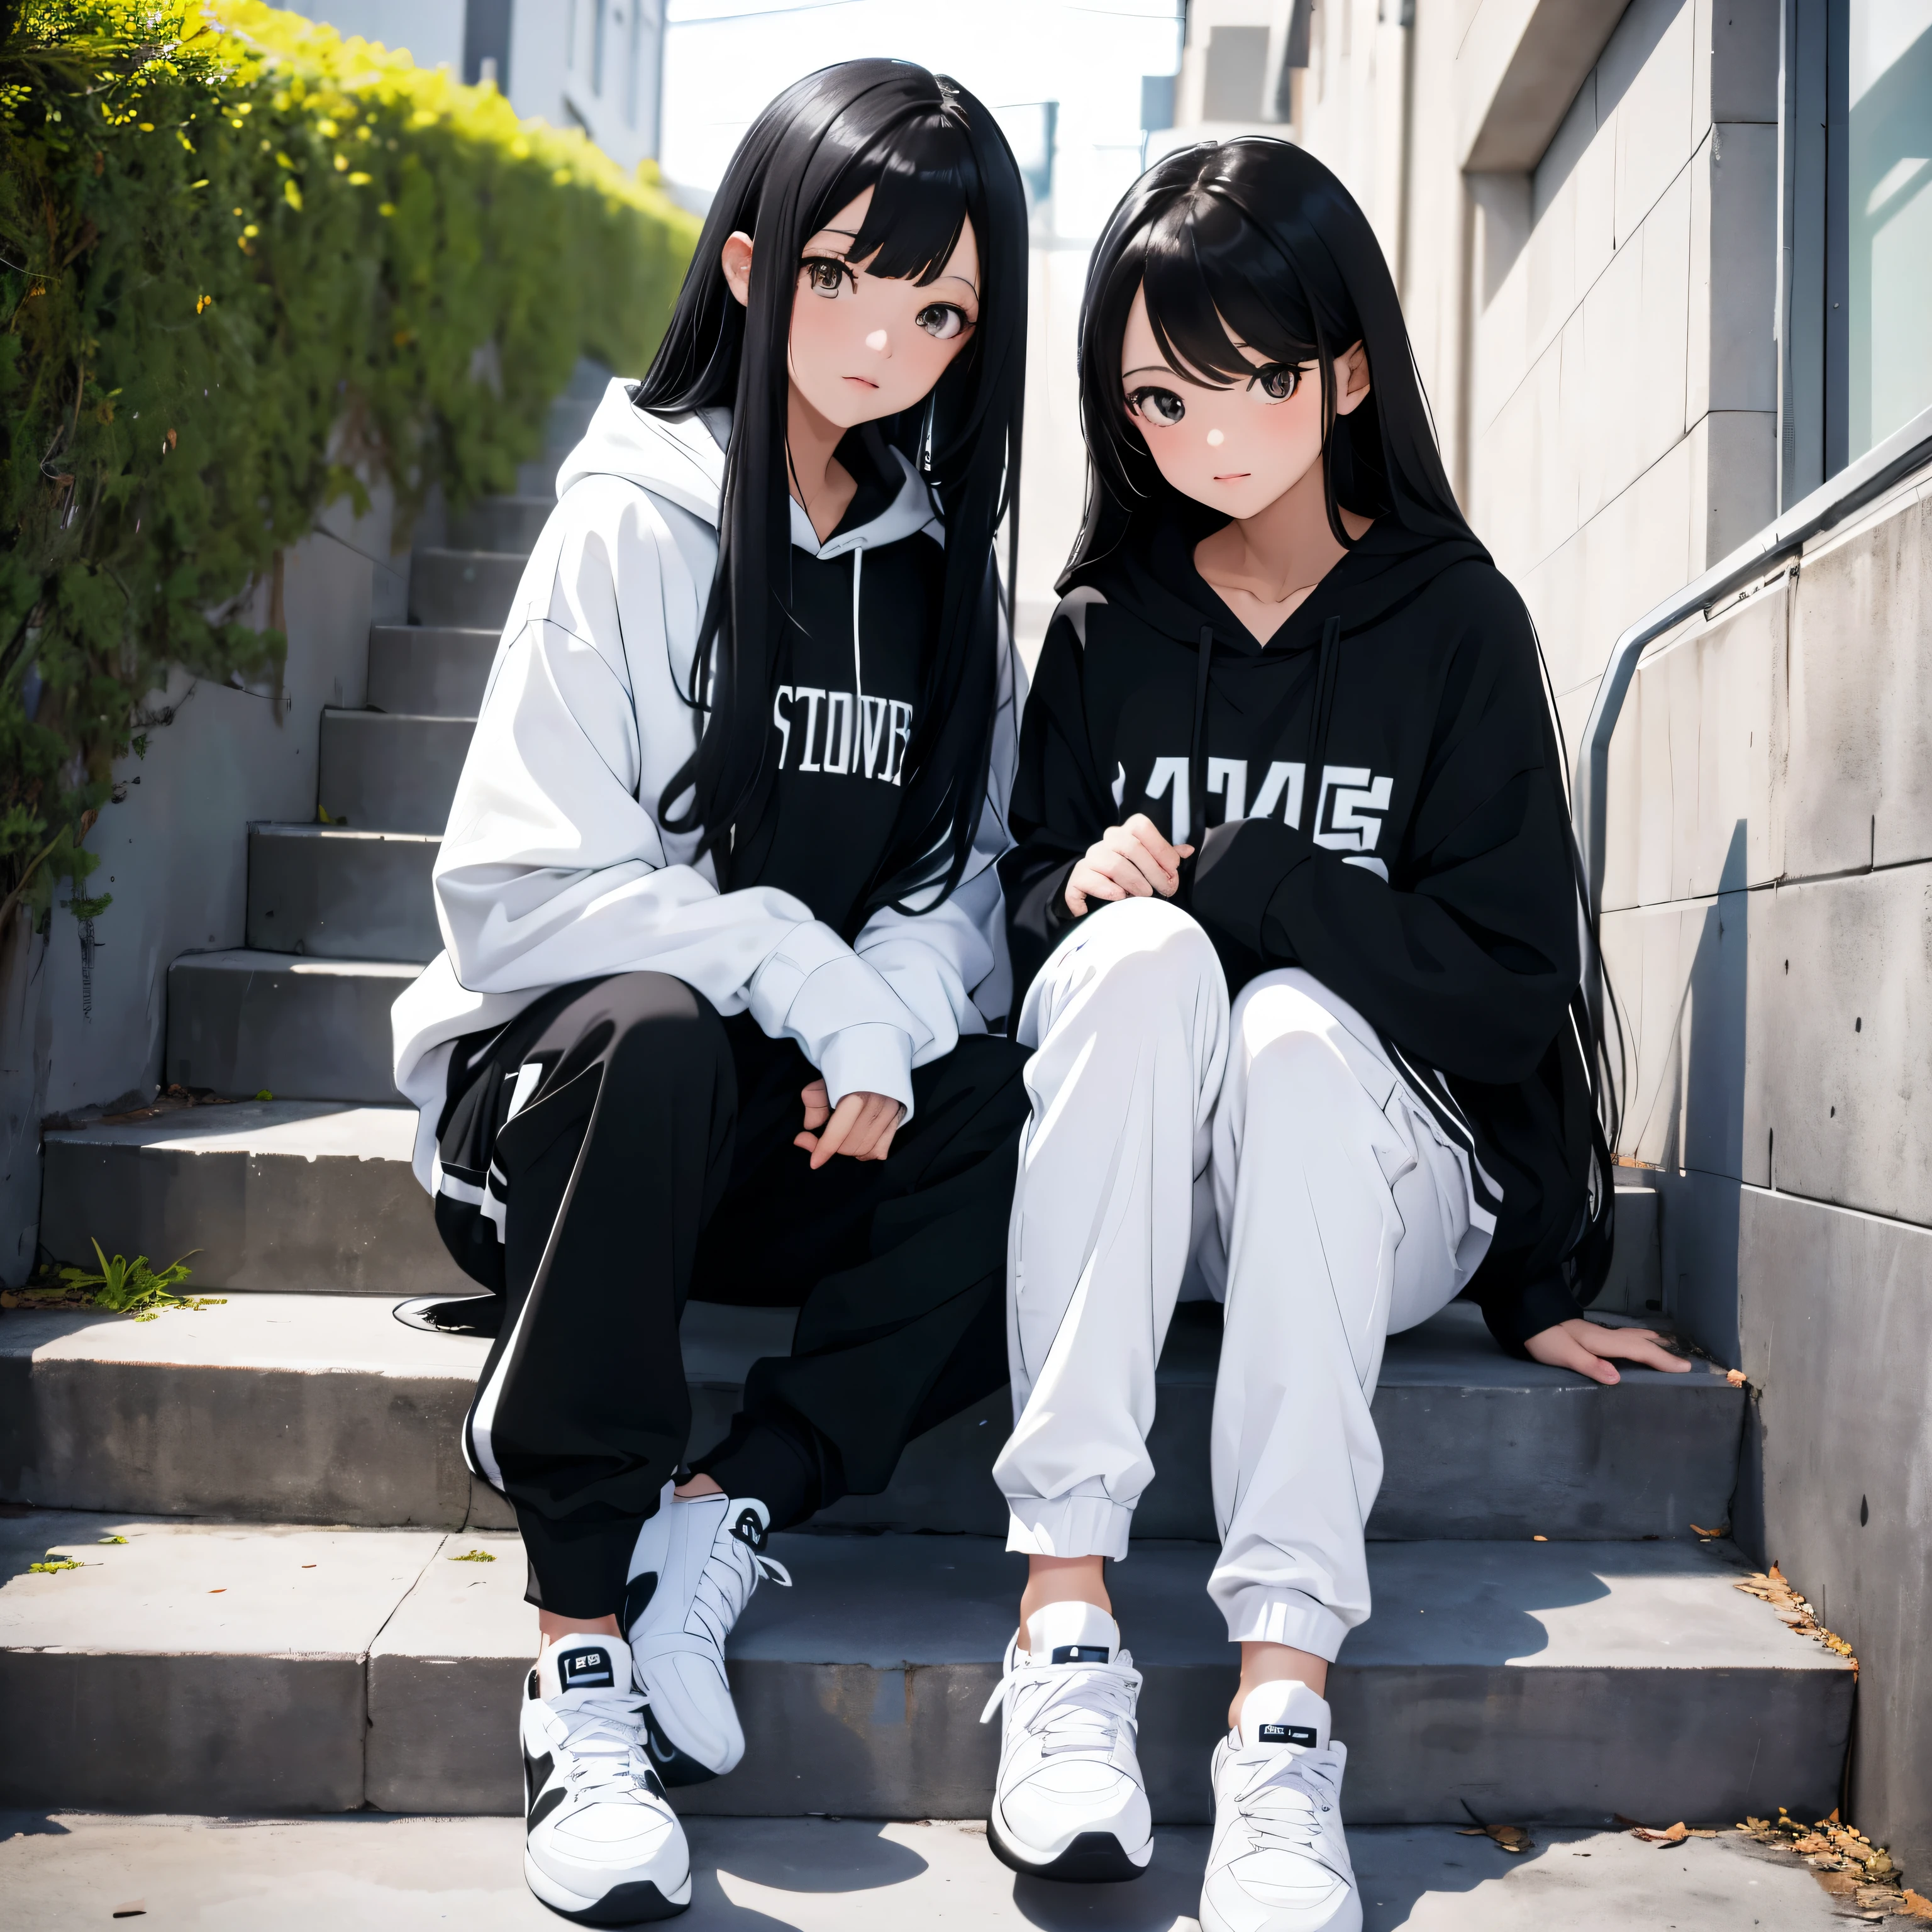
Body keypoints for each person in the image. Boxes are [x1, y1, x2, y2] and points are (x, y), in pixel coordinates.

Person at [977, 138, 1687, 1932]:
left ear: (1347, 371)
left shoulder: (1453, 624)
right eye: (1160, 392)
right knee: (1137, 968)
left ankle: (1279, 1711)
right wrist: (1086, 895)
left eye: (1255, 380)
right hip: (1156, 1167)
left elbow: (1511, 979)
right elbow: (1004, 939)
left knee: (1293, 1026)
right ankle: (1066, 1625)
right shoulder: (1099, 630)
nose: (1207, 432)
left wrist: (1272, 888)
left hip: (1381, 1182)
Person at [389, 60, 1030, 1926]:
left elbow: (952, 894)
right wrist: (808, 989)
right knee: (660, 1030)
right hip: (570, 1130)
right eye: (845, 276)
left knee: (1038, 1096)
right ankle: (577, 1645)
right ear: (751, 270)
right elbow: (522, 893)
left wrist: (885, 1039)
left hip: (783, 1149)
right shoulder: (628, 521)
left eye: (940, 309)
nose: (887, 337)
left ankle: (715, 1514)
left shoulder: (941, 589)